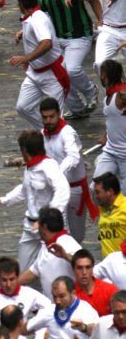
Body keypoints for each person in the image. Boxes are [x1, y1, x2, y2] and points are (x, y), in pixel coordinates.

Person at [0, 130, 70, 270]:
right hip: (30, 227)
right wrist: (4, 200)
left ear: (24, 150)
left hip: (49, 228)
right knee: (24, 270)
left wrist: (47, 218)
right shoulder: (30, 167)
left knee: (57, 267)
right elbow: (25, 190)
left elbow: (63, 190)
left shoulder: (48, 167)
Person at [32, 0, 98, 116]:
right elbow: (42, 13)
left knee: (72, 69)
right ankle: (77, 108)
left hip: (79, 35)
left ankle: (91, 92)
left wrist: (100, 19)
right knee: (59, 75)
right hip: (58, 39)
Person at [40, 97, 97, 239]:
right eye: (45, 117)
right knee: (58, 232)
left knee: (77, 235)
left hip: (74, 190)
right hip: (56, 190)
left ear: (59, 114)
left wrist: (57, 172)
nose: (48, 121)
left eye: (51, 116)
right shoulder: (43, 134)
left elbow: (73, 156)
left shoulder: (68, 133)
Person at [0, 255, 50, 338]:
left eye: (12, 279)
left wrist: (45, 327)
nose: (8, 285)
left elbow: (51, 309)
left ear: (17, 277)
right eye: (4, 280)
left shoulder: (28, 293)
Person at [73, 249, 119, 316]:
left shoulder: (110, 290)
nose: (84, 272)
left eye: (88, 267)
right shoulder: (69, 295)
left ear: (93, 268)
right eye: (79, 268)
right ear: (73, 270)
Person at [94, 174, 126, 258]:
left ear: (110, 192)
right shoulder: (103, 207)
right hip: (108, 266)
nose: (95, 196)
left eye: (98, 192)